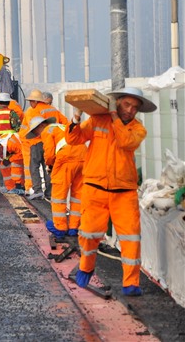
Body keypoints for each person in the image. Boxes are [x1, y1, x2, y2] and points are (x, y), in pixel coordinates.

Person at [66, 87, 156, 297]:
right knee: (89, 234)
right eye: (127, 104)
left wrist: (114, 115)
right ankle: (86, 266)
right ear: (118, 102)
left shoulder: (138, 129)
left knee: (131, 238)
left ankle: (131, 283)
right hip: (95, 188)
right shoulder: (98, 120)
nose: (130, 110)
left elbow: (125, 141)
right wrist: (76, 117)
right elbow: (74, 139)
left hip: (124, 192)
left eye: (135, 107)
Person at [28, 116, 87, 235]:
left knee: (58, 195)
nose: (37, 135)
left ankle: (60, 227)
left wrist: (50, 165)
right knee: (78, 194)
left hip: (66, 158)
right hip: (84, 156)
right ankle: (74, 227)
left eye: (35, 132)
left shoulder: (47, 131)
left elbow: (49, 154)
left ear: (41, 126)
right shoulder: (61, 127)